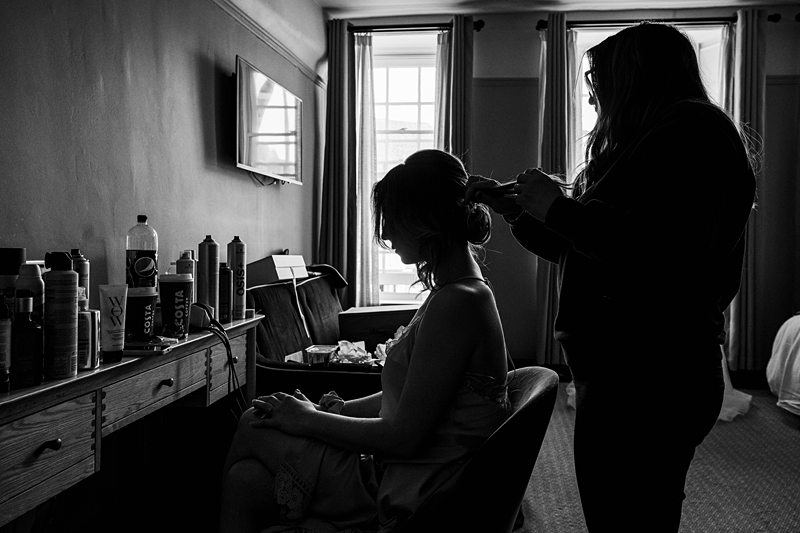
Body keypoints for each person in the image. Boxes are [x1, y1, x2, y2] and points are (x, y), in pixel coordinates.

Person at [466, 22, 756, 533]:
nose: (592, 92)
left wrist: (559, 208)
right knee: (623, 513)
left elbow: (663, 252)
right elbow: (578, 248)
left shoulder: (695, 131)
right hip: (622, 373)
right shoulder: (638, 144)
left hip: (655, 373)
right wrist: (521, 212)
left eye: (599, 77)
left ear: (635, 75)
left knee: (630, 516)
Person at [220, 149, 510, 533]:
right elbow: (412, 395)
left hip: (417, 485)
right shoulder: (457, 292)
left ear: (422, 220)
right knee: (245, 480)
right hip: (412, 467)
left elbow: (403, 438)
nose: (386, 233)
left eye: (391, 219)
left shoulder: (459, 302)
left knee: (252, 423)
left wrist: (310, 420)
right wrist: (338, 410)